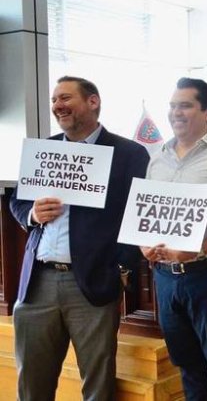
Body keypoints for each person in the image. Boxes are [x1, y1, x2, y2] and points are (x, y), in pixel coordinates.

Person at [9, 76, 150, 400]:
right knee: (31, 385)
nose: (58, 105)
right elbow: (17, 201)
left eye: (66, 98)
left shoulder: (129, 153)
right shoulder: (45, 150)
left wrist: (123, 270)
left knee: (97, 386)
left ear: (93, 102)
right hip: (37, 284)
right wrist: (32, 214)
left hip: (93, 284)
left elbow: (138, 216)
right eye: (55, 99)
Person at [140, 77, 207, 400]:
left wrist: (198, 250)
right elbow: (145, 212)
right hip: (165, 278)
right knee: (186, 363)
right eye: (173, 106)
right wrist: (143, 244)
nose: (176, 112)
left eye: (185, 105)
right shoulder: (157, 157)